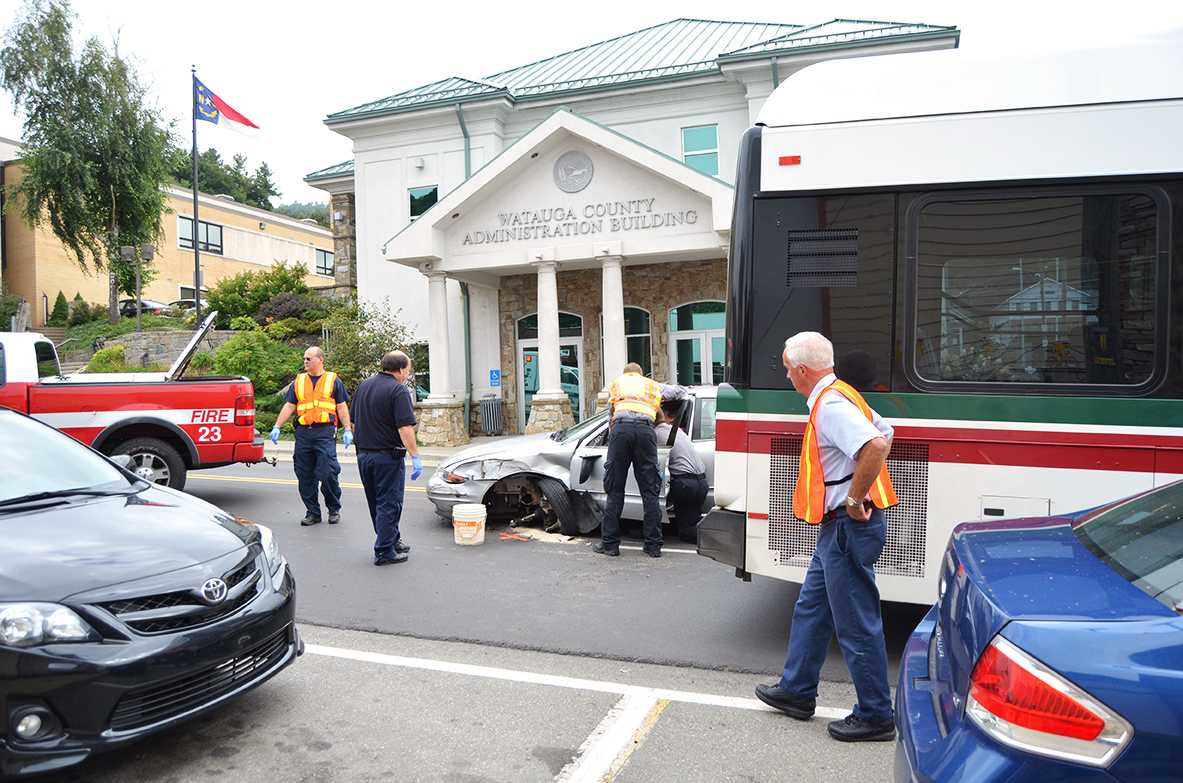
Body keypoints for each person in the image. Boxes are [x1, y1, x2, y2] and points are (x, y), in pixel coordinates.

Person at [754, 331, 899, 743]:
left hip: (846, 525)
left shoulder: (831, 404)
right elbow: (885, 432)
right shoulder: (842, 393)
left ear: (802, 370)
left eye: (787, 369)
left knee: (855, 624)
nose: (786, 376)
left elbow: (874, 446)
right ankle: (797, 691)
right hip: (837, 527)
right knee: (812, 608)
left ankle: (875, 715)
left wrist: (854, 498)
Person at [351, 350, 422, 566]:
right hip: (386, 457)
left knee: (377, 502)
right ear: (401, 369)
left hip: (364, 455)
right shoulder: (397, 390)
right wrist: (415, 455)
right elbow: (405, 427)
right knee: (389, 503)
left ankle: (392, 539)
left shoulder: (364, 386)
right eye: (408, 370)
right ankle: (384, 551)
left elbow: (354, 421)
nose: (407, 374)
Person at [271, 346, 352, 527]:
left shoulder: (333, 380)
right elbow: (290, 406)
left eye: (309, 359)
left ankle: (333, 509)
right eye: (304, 359)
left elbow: (341, 406)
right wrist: (277, 426)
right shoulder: (298, 382)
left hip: (324, 432)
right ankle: (313, 512)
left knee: (328, 472)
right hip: (304, 433)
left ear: (320, 360)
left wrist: (347, 429)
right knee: (304, 474)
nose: (305, 362)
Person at [594, 362, 663, 558]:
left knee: (615, 489)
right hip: (645, 431)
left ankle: (610, 545)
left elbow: (612, 416)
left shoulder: (617, 383)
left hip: (621, 430)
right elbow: (660, 415)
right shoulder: (652, 385)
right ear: (641, 374)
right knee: (650, 491)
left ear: (626, 374)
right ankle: (653, 546)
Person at [654, 398, 708, 544]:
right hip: (701, 483)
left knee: (686, 531)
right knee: (692, 520)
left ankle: (715, 538)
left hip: (685, 484)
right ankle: (707, 532)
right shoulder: (675, 431)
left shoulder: (656, 434)